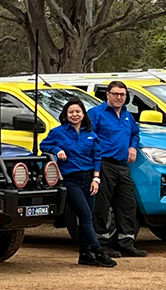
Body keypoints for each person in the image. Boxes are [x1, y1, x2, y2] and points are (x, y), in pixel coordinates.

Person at [40, 100, 115, 268]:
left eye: (78, 112)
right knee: (85, 215)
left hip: (88, 179)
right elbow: (43, 145)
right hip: (70, 179)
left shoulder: (91, 134)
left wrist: (96, 178)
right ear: (65, 115)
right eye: (71, 112)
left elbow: (97, 157)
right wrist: (57, 150)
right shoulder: (57, 132)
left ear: (83, 114)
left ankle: (85, 254)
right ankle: (98, 251)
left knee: (87, 215)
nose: (75, 115)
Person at [88, 81, 148, 257]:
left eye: (122, 94)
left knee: (128, 204)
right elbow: (88, 136)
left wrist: (132, 147)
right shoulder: (96, 114)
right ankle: (101, 244)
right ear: (107, 94)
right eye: (115, 94)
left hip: (122, 166)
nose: (119, 97)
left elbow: (135, 133)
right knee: (102, 205)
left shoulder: (127, 116)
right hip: (104, 164)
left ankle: (126, 242)